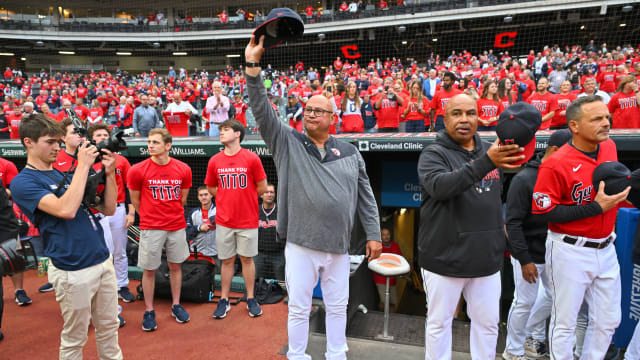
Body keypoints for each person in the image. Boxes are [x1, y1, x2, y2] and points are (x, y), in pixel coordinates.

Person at [245, 35, 382, 360]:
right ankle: (297, 354)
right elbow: (263, 111)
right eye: (307, 109)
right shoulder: (287, 142)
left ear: (332, 118)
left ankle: (336, 353)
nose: (309, 114)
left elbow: (366, 197)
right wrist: (253, 67)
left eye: (318, 111)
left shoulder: (349, 151)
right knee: (299, 307)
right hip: (301, 244)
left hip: (339, 246)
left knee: (337, 307)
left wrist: (374, 234)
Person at [418, 94, 525, 360]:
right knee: (440, 324)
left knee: (488, 326)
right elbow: (441, 187)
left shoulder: (490, 150)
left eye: (471, 113)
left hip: (486, 259)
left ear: (479, 117)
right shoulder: (433, 153)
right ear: (445, 118)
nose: (465, 119)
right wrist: (488, 161)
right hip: (444, 258)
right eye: (457, 113)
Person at [10, 114, 122, 359]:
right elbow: (66, 210)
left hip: (102, 260)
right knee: (75, 338)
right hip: (73, 269)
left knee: (109, 328)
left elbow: (108, 209)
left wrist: (110, 174)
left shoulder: (66, 174)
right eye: (49, 142)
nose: (57, 148)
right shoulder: (23, 182)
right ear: (28, 142)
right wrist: (83, 166)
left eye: (58, 142)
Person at [531, 95, 629, 360]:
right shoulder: (555, 163)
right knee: (565, 323)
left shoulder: (609, 147)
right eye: (596, 119)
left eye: (607, 117)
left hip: (607, 246)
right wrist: (594, 208)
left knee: (609, 320)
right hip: (569, 248)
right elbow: (543, 212)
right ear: (574, 126)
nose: (606, 122)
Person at [503, 129, 572, 360]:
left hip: (554, 250)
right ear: (553, 150)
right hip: (528, 251)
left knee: (555, 297)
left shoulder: (563, 175)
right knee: (524, 301)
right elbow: (512, 224)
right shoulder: (523, 179)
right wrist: (524, 259)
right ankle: (512, 351)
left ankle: (525, 337)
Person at [127, 128, 192, 331]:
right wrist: (149, 215)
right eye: (149, 142)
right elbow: (135, 200)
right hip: (151, 226)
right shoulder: (137, 169)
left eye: (155, 142)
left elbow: (182, 198)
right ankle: (148, 310)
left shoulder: (183, 168)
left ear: (168, 145)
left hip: (176, 225)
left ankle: (176, 304)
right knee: (149, 270)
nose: (150, 145)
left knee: (175, 266)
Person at [205, 119, 267, 319]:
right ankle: (224, 299)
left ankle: (250, 298)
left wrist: (245, 200)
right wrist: (226, 199)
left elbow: (262, 187)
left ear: (237, 133)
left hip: (247, 219)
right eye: (221, 130)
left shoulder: (251, 158)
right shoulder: (215, 160)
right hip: (224, 220)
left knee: (247, 259)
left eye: (226, 130)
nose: (221, 133)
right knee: (227, 260)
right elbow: (211, 188)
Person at [88, 124, 137, 303]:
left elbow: (131, 187)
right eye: (98, 135)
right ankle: (103, 290)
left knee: (119, 251)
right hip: (94, 210)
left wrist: (131, 213)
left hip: (117, 208)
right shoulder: (86, 160)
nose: (102, 137)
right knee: (100, 253)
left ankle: (122, 285)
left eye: (104, 134)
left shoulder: (121, 161)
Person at [0, 156, 32, 306]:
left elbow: (15, 191)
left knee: (13, 254)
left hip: (5, 217)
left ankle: (19, 290)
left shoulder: (6, 165)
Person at [254, 183, 284, 280]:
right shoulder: (255, 210)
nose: (270, 194)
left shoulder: (281, 211)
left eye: (272, 192)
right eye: (266, 192)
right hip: (259, 253)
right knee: (256, 281)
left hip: (278, 254)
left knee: (281, 281)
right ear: (261, 195)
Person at [372, 228, 402, 312]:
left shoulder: (395, 245)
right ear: (380, 236)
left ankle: (391, 320)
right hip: (380, 278)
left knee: (393, 302)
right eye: (383, 235)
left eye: (387, 234)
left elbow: (400, 259)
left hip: (392, 278)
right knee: (384, 302)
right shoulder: (377, 247)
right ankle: (381, 319)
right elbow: (374, 262)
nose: (386, 237)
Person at [186, 185, 218, 264]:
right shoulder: (193, 213)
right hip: (198, 254)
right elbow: (186, 233)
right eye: (201, 195)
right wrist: (199, 228)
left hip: (217, 253)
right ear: (198, 197)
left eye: (206, 194)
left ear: (211, 195)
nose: (203, 197)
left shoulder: (220, 211)